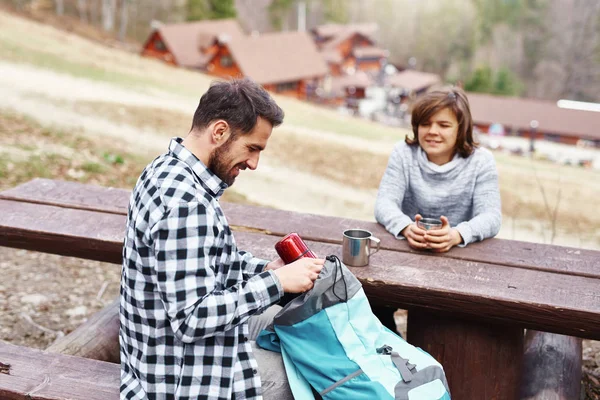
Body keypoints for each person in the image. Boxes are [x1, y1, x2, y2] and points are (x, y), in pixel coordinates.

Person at [120, 78, 325, 400]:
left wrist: (266, 271)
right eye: (252, 148)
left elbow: (204, 260)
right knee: (319, 378)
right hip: (178, 376)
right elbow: (192, 319)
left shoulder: (166, 170)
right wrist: (276, 283)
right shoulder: (186, 204)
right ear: (219, 132)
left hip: (152, 351)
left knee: (297, 330)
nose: (254, 163)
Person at [373, 87, 501, 332]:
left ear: (460, 129)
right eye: (425, 123)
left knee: (449, 326)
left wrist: (457, 235)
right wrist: (406, 227)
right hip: (407, 255)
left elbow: (492, 216)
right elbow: (384, 203)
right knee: (372, 301)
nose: (432, 131)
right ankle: (395, 354)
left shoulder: (481, 161)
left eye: (443, 125)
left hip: (456, 262)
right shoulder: (403, 153)